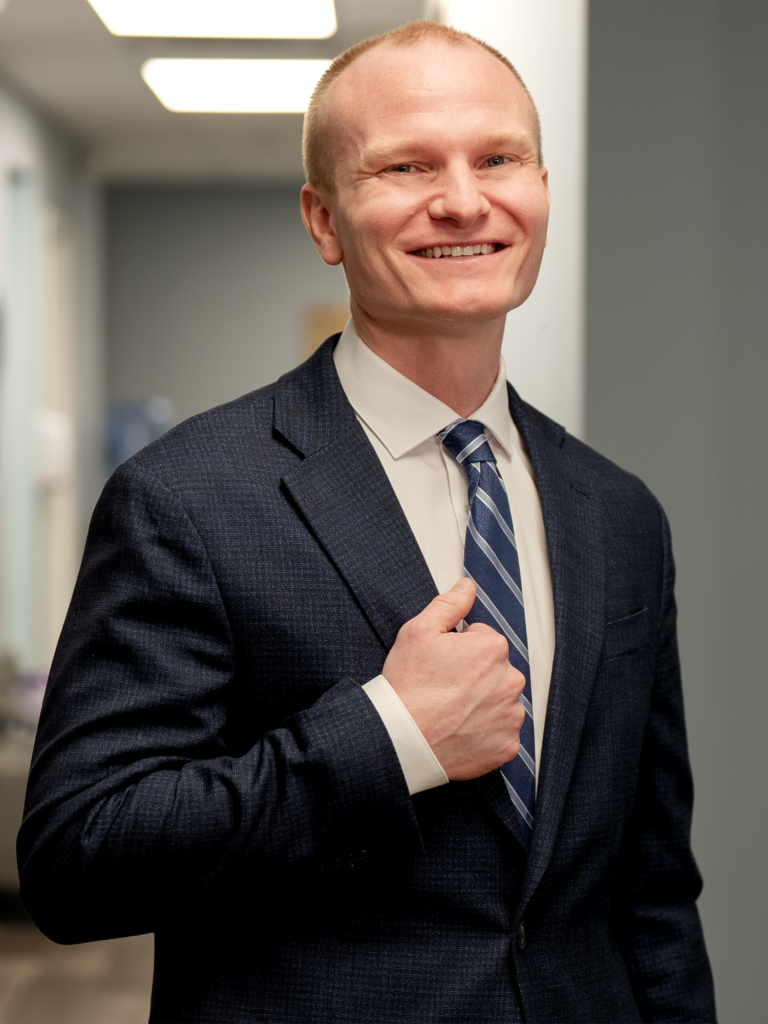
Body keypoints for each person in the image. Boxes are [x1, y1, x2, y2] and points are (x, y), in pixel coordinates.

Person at [18, 20, 716, 1024]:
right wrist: (390, 736)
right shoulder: (188, 498)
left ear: (543, 191)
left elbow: (652, 896)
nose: (465, 199)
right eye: (407, 165)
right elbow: (78, 859)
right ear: (324, 220)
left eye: (499, 157)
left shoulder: (619, 515)